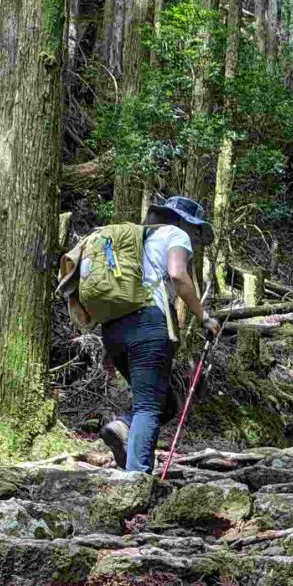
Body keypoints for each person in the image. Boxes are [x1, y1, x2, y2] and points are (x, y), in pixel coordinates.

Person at [98, 196, 211, 472]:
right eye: (195, 228)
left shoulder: (138, 239)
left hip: (113, 327)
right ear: (183, 221)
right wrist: (203, 316)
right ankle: (136, 479)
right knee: (149, 405)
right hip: (148, 323)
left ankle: (123, 426)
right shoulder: (175, 235)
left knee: (163, 401)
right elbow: (177, 275)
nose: (194, 235)